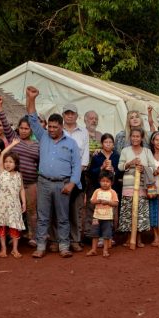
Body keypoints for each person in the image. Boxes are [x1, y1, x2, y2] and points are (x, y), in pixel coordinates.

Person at [25, 86, 81, 258]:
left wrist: (72, 183)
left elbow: (77, 165)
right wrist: (32, 98)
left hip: (63, 184)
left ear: (61, 127)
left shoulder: (71, 143)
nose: (51, 130)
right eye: (49, 126)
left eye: (54, 127)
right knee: (43, 217)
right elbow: (32, 118)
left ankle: (64, 246)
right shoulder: (42, 137)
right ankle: (41, 246)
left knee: (63, 217)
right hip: (44, 182)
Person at [0, 96, 39, 246]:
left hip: (30, 183)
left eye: (27, 128)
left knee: (32, 211)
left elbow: (39, 163)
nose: (24, 130)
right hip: (12, 184)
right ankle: (10, 236)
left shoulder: (36, 145)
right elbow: (6, 125)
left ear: (31, 129)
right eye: (21, 128)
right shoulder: (14, 138)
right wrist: (0, 107)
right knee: (11, 209)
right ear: (18, 128)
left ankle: (33, 236)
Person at [117, 128, 156, 248]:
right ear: (130, 137)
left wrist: (143, 168)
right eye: (133, 136)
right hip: (128, 185)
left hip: (142, 186)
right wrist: (130, 163)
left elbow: (153, 168)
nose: (135, 138)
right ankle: (129, 238)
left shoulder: (147, 151)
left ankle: (138, 238)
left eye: (138, 136)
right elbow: (119, 166)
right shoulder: (125, 150)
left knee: (140, 212)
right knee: (128, 212)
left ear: (141, 138)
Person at [61, 103, 89, 252]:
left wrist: (76, 174)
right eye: (67, 113)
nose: (70, 116)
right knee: (60, 209)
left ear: (77, 116)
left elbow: (85, 156)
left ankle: (76, 240)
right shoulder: (59, 130)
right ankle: (60, 240)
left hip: (78, 175)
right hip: (61, 174)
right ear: (63, 115)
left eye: (72, 113)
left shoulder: (83, 132)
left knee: (76, 209)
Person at [0, 140, 26, 258]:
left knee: (14, 227)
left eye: (11, 162)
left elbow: (21, 189)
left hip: (15, 205)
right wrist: (12, 145)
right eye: (6, 162)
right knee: (1, 227)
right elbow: (2, 154)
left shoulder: (18, 175)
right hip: (2, 205)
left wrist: (24, 202)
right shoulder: (2, 173)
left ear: (16, 163)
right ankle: (3, 249)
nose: (7, 164)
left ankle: (15, 249)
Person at [87, 171, 118, 257]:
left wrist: (108, 202)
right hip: (96, 217)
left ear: (111, 182)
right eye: (103, 181)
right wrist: (98, 201)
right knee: (95, 233)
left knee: (106, 234)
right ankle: (93, 249)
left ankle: (105, 250)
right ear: (99, 181)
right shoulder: (97, 191)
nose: (105, 183)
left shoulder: (113, 192)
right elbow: (92, 201)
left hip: (107, 217)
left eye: (107, 181)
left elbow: (116, 203)